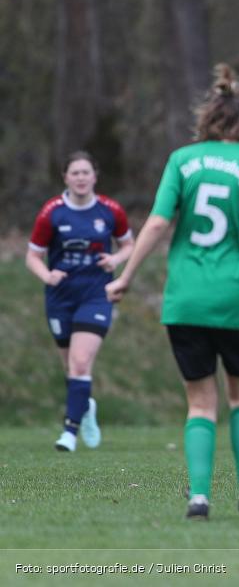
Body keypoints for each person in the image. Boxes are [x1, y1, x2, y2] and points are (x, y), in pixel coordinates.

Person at [106, 64, 239, 520]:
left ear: (208, 115)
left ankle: (199, 497)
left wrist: (126, 273)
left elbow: (160, 222)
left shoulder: (182, 161)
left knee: (199, 402)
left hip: (186, 300)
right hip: (237, 298)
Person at [26, 151, 134, 453]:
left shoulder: (110, 210)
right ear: (66, 178)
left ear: (95, 176)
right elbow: (32, 255)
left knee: (81, 361)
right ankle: (84, 405)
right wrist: (47, 276)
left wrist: (115, 259)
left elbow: (129, 245)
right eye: (75, 173)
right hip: (61, 297)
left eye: (86, 172)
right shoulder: (52, 213)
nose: (81, 178)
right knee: (70, 368)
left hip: (96, 295)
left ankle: (69, 432)